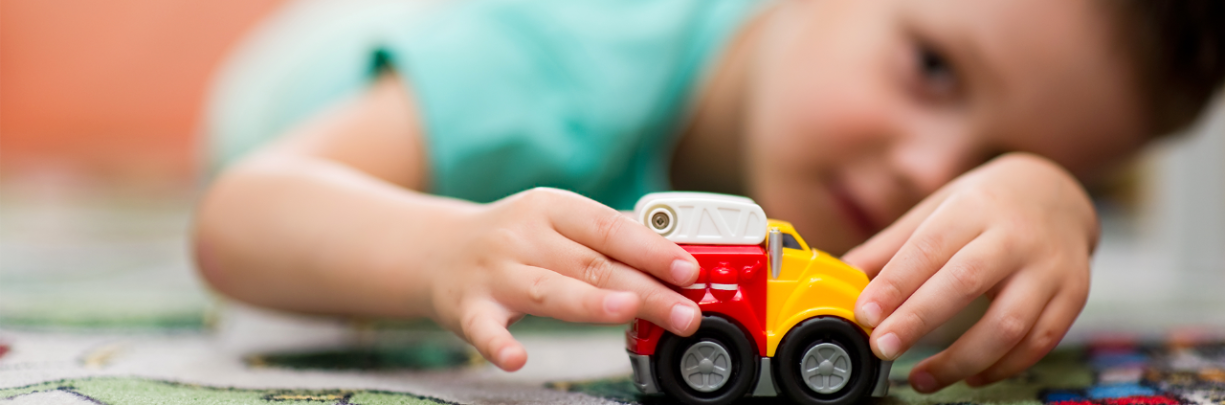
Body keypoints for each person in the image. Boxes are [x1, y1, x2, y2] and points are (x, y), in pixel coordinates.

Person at [193, 0, 1225, 393]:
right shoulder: (561, 51)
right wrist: (443, 250)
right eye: (933, 67)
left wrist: (1048, 207)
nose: (929, 167)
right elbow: (241, 214)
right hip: (309, 81)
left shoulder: (841, 179)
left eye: (994, 160)